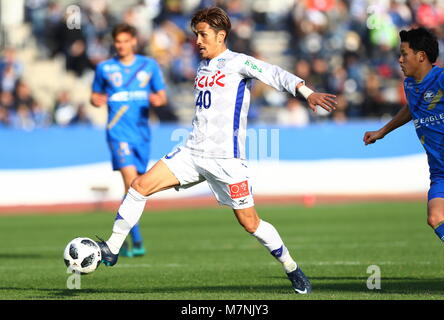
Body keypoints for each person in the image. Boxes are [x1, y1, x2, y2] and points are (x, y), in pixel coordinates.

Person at [95, 7, 336, 294]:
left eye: (203, 34)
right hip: (192, 152)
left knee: (250, 223)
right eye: (196, 34)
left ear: (221, 36)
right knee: (139, 185)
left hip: (226, 160)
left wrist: (308, 93)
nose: (197, 40)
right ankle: (112, 247)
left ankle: (292, 268)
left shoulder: (239, 62)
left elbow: (275, 74)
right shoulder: (202, 66)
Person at [364, 27, 444, 251]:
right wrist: (382, 131)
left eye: (404, 53)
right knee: (436, 217)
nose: (399, 59)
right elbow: (412, 108)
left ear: (421, 56)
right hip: (441, 172)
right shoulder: (410, 84)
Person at [91, 23, 167, 258]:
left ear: (134, 41)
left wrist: (156, 100)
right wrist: (98, 100)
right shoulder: (105, 68)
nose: (121, 45)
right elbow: (94, 96)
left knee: (135, 188)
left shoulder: (149, 65)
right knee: (132, 182)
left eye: (125, 41)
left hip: (142, 135)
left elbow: (162, 96)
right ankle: (136, 240)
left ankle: (121, 241)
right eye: (117, 41)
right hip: (118, 133)